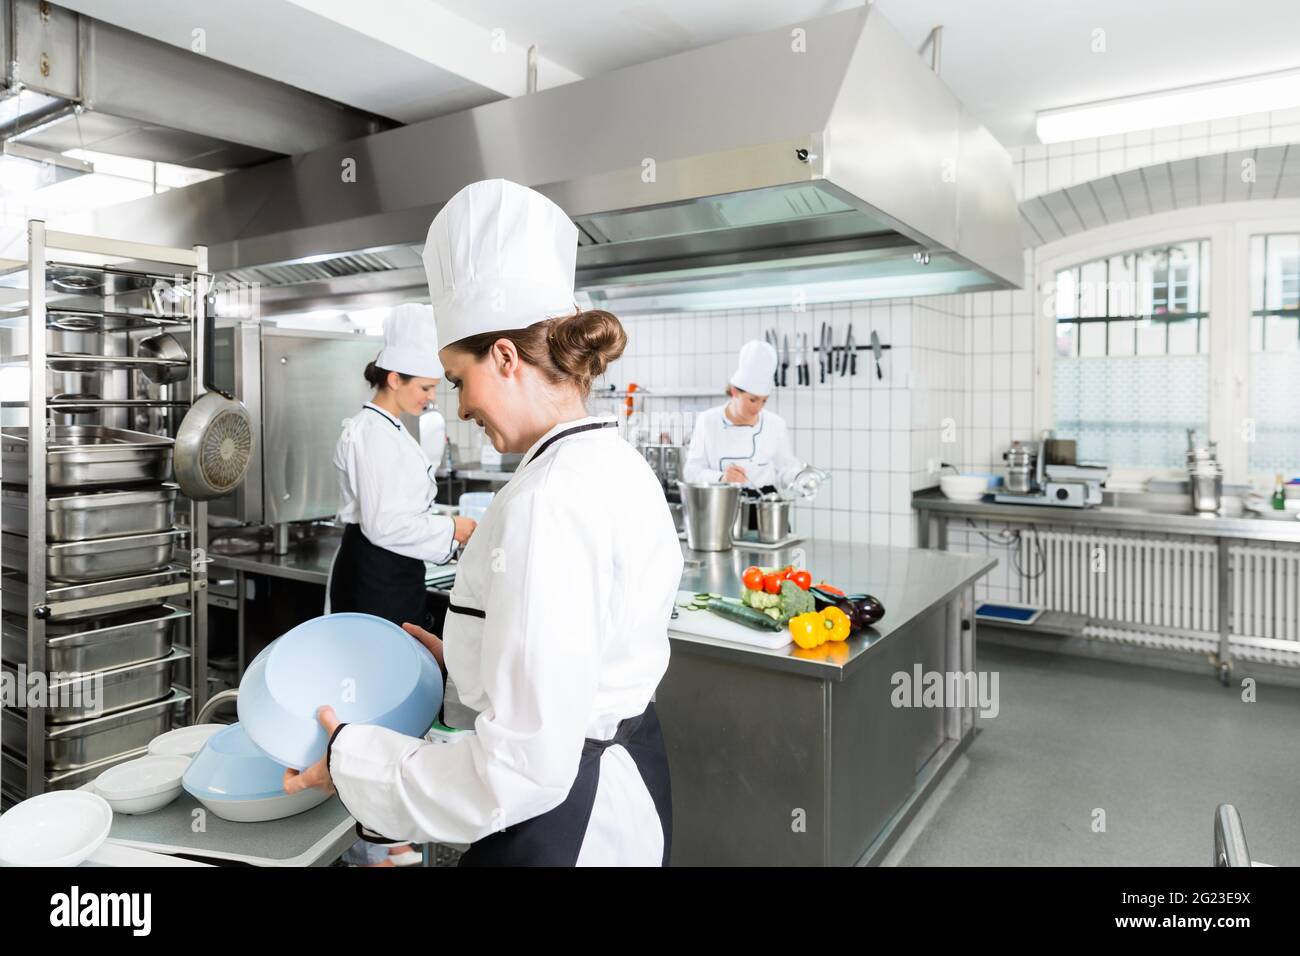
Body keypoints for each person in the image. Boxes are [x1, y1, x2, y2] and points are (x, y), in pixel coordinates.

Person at [287, 179, 682, 867]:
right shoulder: (609, 460)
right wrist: (466, 666)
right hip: (613, 793)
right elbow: (567, 667)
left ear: (504, 356)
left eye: (458, 378)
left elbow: (520, 769)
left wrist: (351, 756)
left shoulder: (549, 498)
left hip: (564, 821)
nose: (460, 407)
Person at [328, 304, 476, 630]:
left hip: (391, 569)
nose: (431, 397)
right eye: (425, 387)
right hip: (376, 575)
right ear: (395, 379)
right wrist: (451, 530)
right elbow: (383, 526)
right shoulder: (372, 433)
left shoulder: (388, 427)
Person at [682, 339, 804, 493]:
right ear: (734, 392)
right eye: (752, 400)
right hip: (721, 502)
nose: (758, 407)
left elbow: (786, 469)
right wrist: (721, 478)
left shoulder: (775, 423)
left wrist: (801, 479)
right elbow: (691, 472)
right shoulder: (708, 421)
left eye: (764, 401)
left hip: (763, 506)